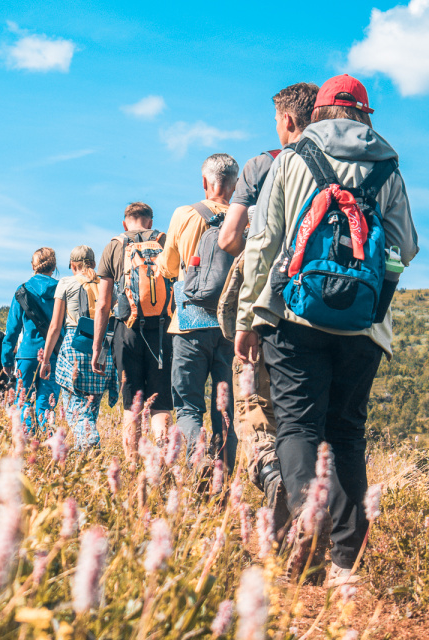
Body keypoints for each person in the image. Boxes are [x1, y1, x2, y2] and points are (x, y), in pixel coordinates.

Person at [235, 74, 418, 586]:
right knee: (347, 436)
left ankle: (307, 535)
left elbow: (263, 240)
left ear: (317, 111)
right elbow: (407, 246)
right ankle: (345, 567)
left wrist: (251, 316)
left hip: (294, 318)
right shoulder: (388, 166)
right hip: (363, 327)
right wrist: (371, 298)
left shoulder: (293, 159)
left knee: (297, 428)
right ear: (364, 114)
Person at [216, 82, 318, 536]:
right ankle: (308, 524)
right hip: (331, 308)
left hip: (270, 304)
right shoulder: (347, 164)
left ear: (289, 121)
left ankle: (275, 480)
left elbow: (230, 238)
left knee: (256, 409)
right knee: (309, 420)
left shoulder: (264, 164)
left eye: (277, 120)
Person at [159, 154, 239, 470]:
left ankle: (198, 461)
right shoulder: (245, 219)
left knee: (189, 407)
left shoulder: (185, 214)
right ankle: (224, 483)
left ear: (205, 181)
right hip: (231, 327)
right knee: (226, 412)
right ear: (235, 185)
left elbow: (167, 266)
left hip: (190, 323)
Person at [92, 202, 173, 441]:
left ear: (125, 222)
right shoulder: (164, 242)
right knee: (160, 403)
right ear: (150, 221)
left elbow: (103, 304)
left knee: (132, 405)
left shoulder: (114, 246)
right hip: (162, 330)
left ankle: (132, 469)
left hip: (126, 330)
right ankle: (161, 464)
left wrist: (98, 347)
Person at [39, 246, 118, 448]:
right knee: (91, 407)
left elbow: (55, 327)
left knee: (74, 406)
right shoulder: (107, 285)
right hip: (102, 349)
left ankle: (90, 440)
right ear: (93, 263)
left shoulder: (66, 283)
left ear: (73, 265)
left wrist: (46, 359)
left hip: (75, 346)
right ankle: (85, 456)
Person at [1, 247, 62, 432]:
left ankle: (25, 443)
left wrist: (6, 357)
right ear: (54, 266)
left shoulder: (22, 291)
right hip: (53, 355)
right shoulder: (61, 289)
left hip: (27, 355)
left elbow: (12, 329)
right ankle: (46, 444)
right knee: (46, 405)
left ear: (33, 266)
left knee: (23, 402)